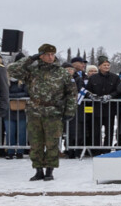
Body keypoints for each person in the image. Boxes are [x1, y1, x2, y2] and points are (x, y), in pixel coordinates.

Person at [7, 45, 76, 181]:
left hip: (54, 112)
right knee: (36, 142)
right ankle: (38, 170)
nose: (51, 57)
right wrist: (29, 59)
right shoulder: (32, 71)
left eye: (52, 54)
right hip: (35, 112)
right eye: (47, 54)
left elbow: (72, 93)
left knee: (52, 142)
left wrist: (69, 111)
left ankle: (50, 170)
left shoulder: (61, 73)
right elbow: (11, 69)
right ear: (41, 55)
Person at [85, 56, 119, 152]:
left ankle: (107, 149)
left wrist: (110, 96)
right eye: (104, 65)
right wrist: (91, 96)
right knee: (95, 131)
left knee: (109, 131)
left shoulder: (115, 77)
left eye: (108, 65)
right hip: (96, 109)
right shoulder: (93, 78)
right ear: (99, 66)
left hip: (109, 109)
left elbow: (118, 90)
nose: (107, 67)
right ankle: (96, 150)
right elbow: (88, 90)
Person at [5, 67, 28, 159]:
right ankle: (10, 152)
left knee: (22, 132)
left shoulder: (23, 83)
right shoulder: (5, 82)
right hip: (8, 111)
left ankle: (20, 152)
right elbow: (2, 93)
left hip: (22, 111)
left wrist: (12, 96)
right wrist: (17, 95)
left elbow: (27, 93)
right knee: (10, 132)